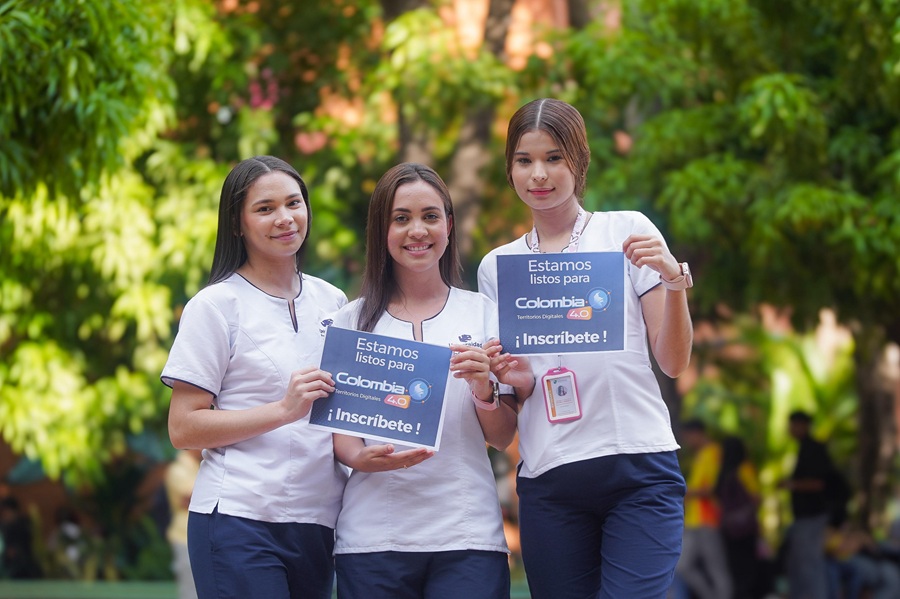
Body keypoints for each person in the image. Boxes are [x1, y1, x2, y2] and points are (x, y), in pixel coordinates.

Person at [477, 98, 692, 598]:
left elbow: (675, 362)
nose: (540, 174)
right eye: (525, 160)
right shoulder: (497, 267)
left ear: (580, 160)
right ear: (510, 168)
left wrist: (675, 280)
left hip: (638, 465)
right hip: (550, 480)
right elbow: (513, 400)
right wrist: (510, 379)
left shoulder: (627, 232)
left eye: (554, 157)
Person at [328, 162, 531, 599]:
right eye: (401, 218)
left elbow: (502, 437)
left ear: (449, 224)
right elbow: (343, 440)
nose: (417, 230)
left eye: (430, 216)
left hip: (466, 537)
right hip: (373, 539)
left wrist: (484, 391)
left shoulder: (483, 313)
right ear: (381, 230)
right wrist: (363, 459)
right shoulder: (349, 321)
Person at [162, 156, 348, 599]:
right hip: (238, 520)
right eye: (265, 209)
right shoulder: (215, 305)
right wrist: (283, 410)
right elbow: (183, 427)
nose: (285, 218)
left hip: (319, 521)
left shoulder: (334, 301)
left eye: (294, 203)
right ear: (237, 223)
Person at [779, 410, 835, 599]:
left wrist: (791, 485)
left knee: (810, 565)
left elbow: (819, 483)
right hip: (803, 517)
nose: (791, 429)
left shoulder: (814, 449)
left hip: (812, 516)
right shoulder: (802, 448)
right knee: (800, 564)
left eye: (794, 424)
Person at [674, 420, 733, 599]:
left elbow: (710, 488)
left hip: (707, 519)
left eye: (688, 437)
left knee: (716, 567)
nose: (688, 441)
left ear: (697, 433)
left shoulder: (713, 453)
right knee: (682, 566)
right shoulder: (700, 455)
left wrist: (684, 491)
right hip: (693, 520)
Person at [715, 435, 762, 599]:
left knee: (736, 570)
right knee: (745, 571)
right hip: (743, 530)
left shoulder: (729, 472)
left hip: (731, 529)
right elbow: (756, 498)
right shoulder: (742, 469)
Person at [165, 449, 202, 599]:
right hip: (184, 536)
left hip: (201, 536)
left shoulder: (200, 466)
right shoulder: (178, 468)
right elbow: (190, 497)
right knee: (190, 587)